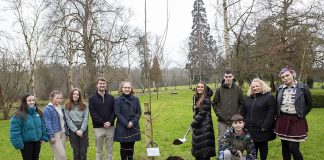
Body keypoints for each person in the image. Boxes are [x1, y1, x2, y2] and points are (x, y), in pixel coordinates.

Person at [274, 68, 312, 160]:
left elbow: (309, 104)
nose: (285, 78)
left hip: (296, 120)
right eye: (283, 77)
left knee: (293, 148)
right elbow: (277, 104)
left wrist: (301, 115)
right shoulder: (279, 89)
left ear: (292, 75)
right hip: (283, 119)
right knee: (285, 148)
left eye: (287, 75)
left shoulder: (303, 88)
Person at [241, 78, 276, 160]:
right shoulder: (248, 98)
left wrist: (265, 126)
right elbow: (242, 112)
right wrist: (242, 123)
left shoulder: (269, 97)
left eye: (257, 86)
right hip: (249, 128)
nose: (255, 88)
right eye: (253, 87)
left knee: (263, 148)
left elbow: (271, 112)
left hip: (262, 128)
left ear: (262, 86)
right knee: (252, 149)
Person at [212, 69, 244, 152]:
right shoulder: (219, 89)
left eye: (230, 77)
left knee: (235, 141)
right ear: (224, 77)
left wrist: (238, 115)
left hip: (235, 122)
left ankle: (234, 157)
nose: (228, 78)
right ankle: (221, 156)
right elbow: (214, 103)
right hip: (222, 121)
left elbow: (242, 103)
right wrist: (219, 114)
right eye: (226, 77)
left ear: (233, 77)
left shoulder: (238, 89)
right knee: (222, 140)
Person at [9, 93, 48, 160]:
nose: (32, 102)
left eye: (33, 100)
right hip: (26, 143)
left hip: (37, 142)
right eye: (29, 100)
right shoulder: (18, 115)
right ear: (24, 102)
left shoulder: (38, 113)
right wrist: (18, 144)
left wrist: (43, 137)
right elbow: (15, 131)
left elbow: (43, 126)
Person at [89, 77, 116, 160]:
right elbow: (93, 113)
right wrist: (103, 122)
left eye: (103, 83)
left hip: (110, 127)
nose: (102, 85)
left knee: (109, 150)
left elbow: (114, 111)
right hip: (98, 128)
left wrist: (110, 122)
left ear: (106, 85)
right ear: (97, 85)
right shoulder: (92, 98)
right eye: (100, 83)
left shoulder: (111, 98)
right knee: (98, 150)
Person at [114, 81, 142, 160]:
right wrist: (126, 123)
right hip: (122, 127)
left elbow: (139, 112)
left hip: (133, 126)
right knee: (123, 147)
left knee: (131, 146)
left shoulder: (136, 99)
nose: (127, 89)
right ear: (121, 89)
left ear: (131, 89)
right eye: (125, 87)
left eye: (128, 87)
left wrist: (133, 122)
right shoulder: (117, 100)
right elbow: (118, 113)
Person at [191, 82, 216, 160]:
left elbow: (202, 113)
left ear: (205, 89)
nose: (200, 88)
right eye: (198, 87)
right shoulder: (197, 98)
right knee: (199, 153)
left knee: (204, 153)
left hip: (205, 128)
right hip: (199, 127)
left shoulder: (206, 99)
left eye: (202, 87)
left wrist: (193, 123)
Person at [43, 90, 69, 160]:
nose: (59, 100)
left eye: (60, 98)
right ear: (52, 98)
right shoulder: (47, 109)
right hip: (55, 134)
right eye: (57, 98)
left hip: (63, 133)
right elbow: (47, 123)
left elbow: (64, 121)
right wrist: (52, 136)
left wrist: (66, 133)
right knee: (62, 155)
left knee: (57, 156)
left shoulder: (61, 108)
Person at [64, 88, 89, 160]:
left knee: (83, 149)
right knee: (76, 150)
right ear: (71, 95)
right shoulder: (67, 105)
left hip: (83, 128)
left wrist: (81, 130)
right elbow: (68, 120)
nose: (75, 96)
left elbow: (86, 119)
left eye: (77, 94)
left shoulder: (84, 105)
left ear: (79, 96)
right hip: (73, 128)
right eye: (74, 94)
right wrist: (76, 130)